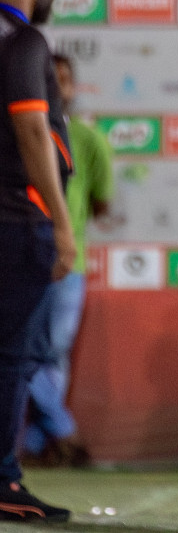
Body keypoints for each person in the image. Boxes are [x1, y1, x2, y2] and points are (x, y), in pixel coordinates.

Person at [0, 0, 73, 522]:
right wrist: (63, 222)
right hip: (17, 223)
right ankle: (4, 479)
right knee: (11, 356)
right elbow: (31, 131)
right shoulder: (24, 39)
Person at [21, 52, 112, 466]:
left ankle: (42, 446)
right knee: (26, 350)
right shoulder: (21, 130)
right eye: (50, 80)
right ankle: (62, 430)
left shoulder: (89, 139)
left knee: (53, 352)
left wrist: (67, 229)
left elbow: (101, 202)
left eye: (65, 79)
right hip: (26, 254)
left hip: (70, 263)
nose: (59, 88)